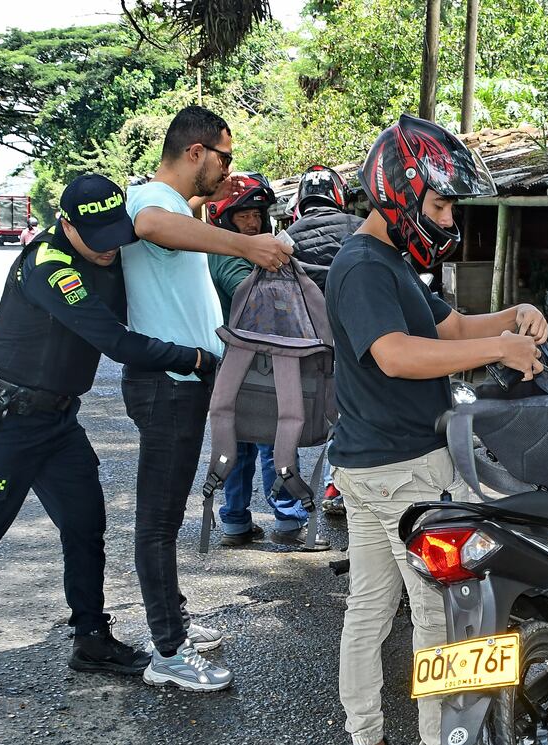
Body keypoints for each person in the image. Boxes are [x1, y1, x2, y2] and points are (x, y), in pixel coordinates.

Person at [0, 174, 217, 706]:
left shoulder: (109, 248)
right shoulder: (48, 265)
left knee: (85, 529)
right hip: (1, 422)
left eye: (113, 233)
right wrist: (192, 358)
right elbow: (115, 341)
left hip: (57, 423)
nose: (108, 249)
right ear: (66, 225)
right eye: (95, 237)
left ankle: (91, 640)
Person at [328, 114, 548, 745]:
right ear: (399, 191)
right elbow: (395, 354)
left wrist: (511, 316)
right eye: (442, 202)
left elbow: (447, 327)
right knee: (441, 612)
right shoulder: (362, 265)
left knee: (369, 608)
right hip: (405, 471)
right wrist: (498, 351)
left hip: (369, 467)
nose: (448, 216)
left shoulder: (387, 261)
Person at [120, 105, 293, 692]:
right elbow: (147, 225)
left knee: (163, 521)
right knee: (158, 522)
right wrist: (246, 247)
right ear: (196, 152)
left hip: (184, 384)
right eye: (225, 156)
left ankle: (173, 627)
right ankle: (167, 651)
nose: (228, 171)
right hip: (165, 385)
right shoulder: (151, 200)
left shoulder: (182, 210)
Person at [204, 173, 325, 550]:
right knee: (272, 439)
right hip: (256, 366)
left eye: (258, 215)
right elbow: (262, 292)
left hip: (241, 365)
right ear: (224, 218)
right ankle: (286, 520)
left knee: (241, 442)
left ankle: (237, 522)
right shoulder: (229, 259)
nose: (254, 223)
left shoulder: (230, 253)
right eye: (243, 216)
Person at [283, 164, 365, 516]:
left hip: (304, 347)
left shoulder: (287, 238)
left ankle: (288, 508)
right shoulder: (360, 229)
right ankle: (340, 488)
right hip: (357, 343)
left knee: (290, 420)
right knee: (352, 416)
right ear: (339, 197)